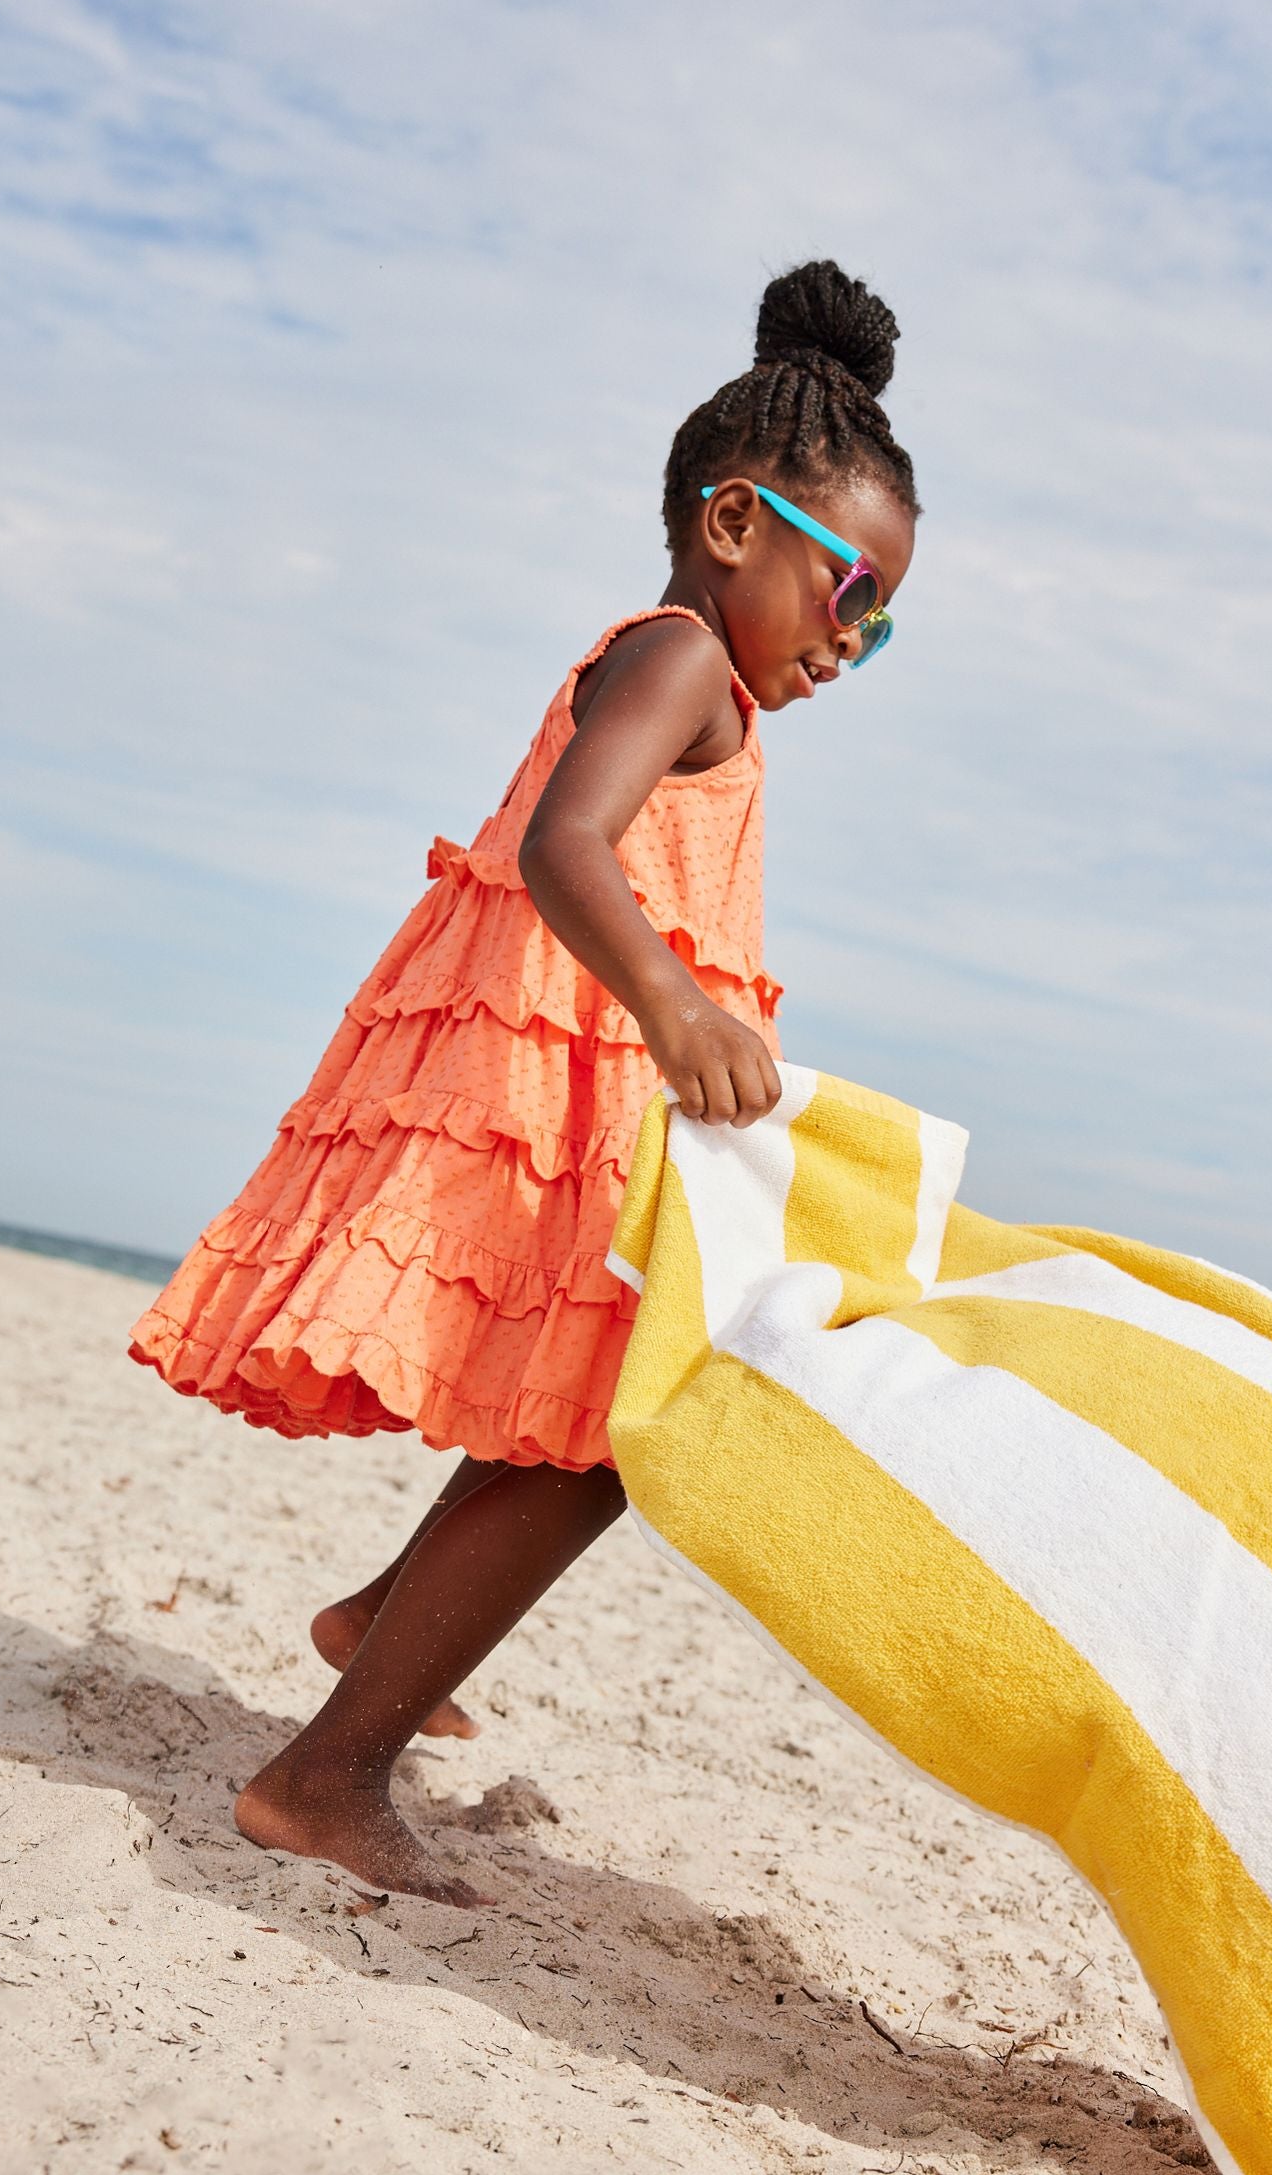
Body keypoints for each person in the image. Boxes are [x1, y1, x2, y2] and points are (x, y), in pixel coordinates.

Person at [129, 258, 920, 1900]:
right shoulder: (679, 659)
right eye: (851, 592)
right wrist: (678, 1009)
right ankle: (323, 1777)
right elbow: (569, 840)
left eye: (885, 620)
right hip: (540, 1080)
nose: (856, 641)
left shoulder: (698, 673)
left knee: (579, 1412)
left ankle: (377, 1626)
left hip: (571, 1084)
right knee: (596, 1436)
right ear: (733, 524)